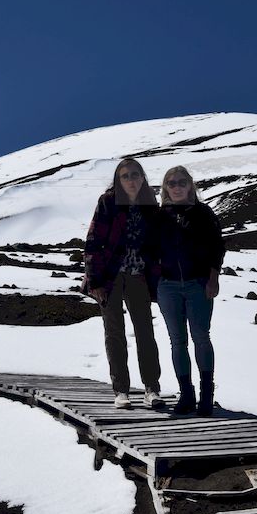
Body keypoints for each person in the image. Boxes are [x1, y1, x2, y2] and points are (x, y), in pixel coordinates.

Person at [81, 159, 164, 410]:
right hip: (110, 276)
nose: (131, 179)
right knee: (114, 332)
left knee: (145, 332)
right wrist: (94, 280)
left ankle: (152, 388)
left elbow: (157, 245)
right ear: (119, 179)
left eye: (135, 175)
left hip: (138, 275)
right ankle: (121, 390)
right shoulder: (108, 202)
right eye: (125, 175)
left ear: (142, 178)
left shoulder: (150, 206)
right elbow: (94, 241)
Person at [154, 166, 225, 416]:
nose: (176, 186)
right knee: (177, 341)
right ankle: (187, 395)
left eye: (182, 182)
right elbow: (149, 250)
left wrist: (213, 278)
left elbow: (217, 247)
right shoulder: (159, 216)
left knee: (201, 337)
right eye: (171, 182)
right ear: (165, 188)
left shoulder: (203, 213)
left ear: (190, 185)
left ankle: (207, 396)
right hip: (167, 286)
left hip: (198, 284)